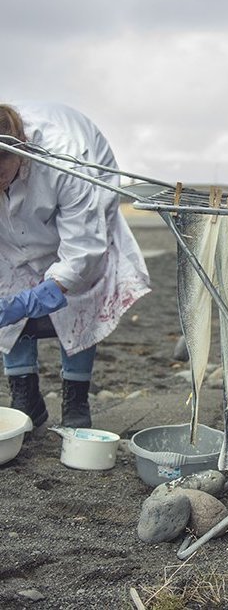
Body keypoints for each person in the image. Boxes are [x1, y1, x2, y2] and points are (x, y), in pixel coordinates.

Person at [0, 102, 151, 428]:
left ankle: (76, 401)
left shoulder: (65, 159)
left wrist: (35, 297)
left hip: (82, 208)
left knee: (80, 287)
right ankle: (25, 400)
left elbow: (83, 250)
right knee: (6, 280)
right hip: (16, 228)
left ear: (19, 153)